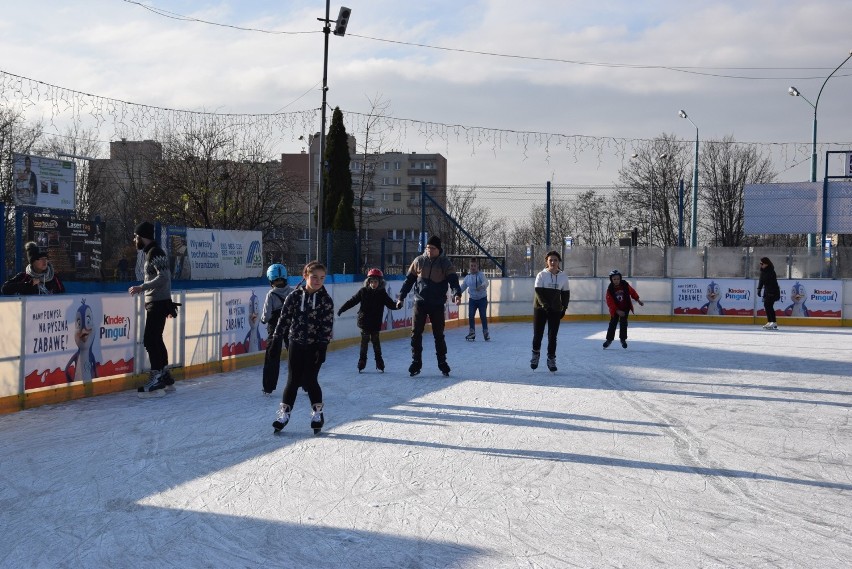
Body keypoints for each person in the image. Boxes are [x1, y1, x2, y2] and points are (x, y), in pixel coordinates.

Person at [271, 260, 334, 434]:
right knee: (292, 380)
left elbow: (327, 325)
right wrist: (276, 338)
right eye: (314, 277)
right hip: (295, 343)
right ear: (305, 276)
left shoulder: (326, 300)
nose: (318, 281)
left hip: (314, 346)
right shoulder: (294, 296)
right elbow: (284, 318)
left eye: (321, 278)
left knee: (310, 380)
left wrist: (322, 347)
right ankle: (284, 414)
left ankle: (317, 413)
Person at [396, 236, 462, 377]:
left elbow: (453, 280)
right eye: (427, 248)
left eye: (432, 248)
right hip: (420, 302)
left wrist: (457, 293)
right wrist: (401, 297)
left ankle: (442, 362)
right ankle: (416, 362)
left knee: (438, 335)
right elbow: (409, 281)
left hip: (437, 304)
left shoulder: (445, 263)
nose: (429, 251)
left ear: (439, 250)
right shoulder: (419, 261)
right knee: (416, 333)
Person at [128, 221, 175, 392]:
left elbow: (164, 277)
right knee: (155, 338)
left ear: (142, 237)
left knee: (150, 339)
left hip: (158, 302)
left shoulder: (155, 252)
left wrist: (142, 287)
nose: (134, 240)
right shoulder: (151, 252)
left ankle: (157, 376)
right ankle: (164, 374)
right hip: (157, 301)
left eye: (136, 237)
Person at [337, 268, 399, 373]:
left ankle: (379, 361)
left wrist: (398, 305)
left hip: (375, 322)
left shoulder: (382, 293)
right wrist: (342, 309)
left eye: (376, 282)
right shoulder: (363, 291)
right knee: (364, 342)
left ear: (380, 282)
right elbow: (352, 301)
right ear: (368, 281)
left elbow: (391, 305)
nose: (373, 284)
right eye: (371, 281)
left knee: (376, 342)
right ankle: (362, 361)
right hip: (364, 321)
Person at [530, 250, 570, 372]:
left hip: (555, 309)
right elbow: (538, 292)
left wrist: (564, 307)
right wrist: (545, 305)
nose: (553, 262)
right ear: (547, 262)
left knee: (553, 336)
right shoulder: (541, 275)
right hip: (540, 309)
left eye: (555, 260)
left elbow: (565, 294)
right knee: (538, 334)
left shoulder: (563, 276)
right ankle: (535, 355)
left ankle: (551, 359)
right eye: (550, 260)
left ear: (559, 262)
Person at [260, 263, 293, 395]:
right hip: (291, 327)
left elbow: (265, 317)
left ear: (270, 279)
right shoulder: (292, 292)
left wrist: (262, 319)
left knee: (272, 357)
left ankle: (268, 387)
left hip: (275, 328)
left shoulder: (271, 294)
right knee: (296, 356)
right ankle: (306, 384)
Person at [603, 269, 644, 349]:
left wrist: (638, 300)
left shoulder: (625, 285)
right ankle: (609, 340)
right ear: (611, 279)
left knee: (623, 324)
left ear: (620, 278)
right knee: (612, 324)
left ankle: (623, 339)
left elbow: (632, 292)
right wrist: (617, 311)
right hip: (615, 309)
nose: (616, 281)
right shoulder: (610, 290)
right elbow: (610, 302)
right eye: (614, 279)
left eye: (618, 279)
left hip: (625, 307)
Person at [460, 259, 489, 341]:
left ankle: (485, 332)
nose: (473, 267)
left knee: (483, 315)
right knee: (471, 315)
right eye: (471, 266)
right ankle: (472, 332)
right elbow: (463, 287)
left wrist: (482, 286)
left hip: (482, 299)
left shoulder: (481, 275)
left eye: (474, 266)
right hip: (472, 299)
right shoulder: (467, 277)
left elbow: (486, 282)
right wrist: (457, 293)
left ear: (477, 267)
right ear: (469, 267)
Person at [757, 256, 780, 330]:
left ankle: (773, 322)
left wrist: (771, 292)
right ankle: (770, 321)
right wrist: (759, 289)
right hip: (767, 291)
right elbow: (761, 281)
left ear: (766, 264)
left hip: (772, 291)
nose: (761, 265)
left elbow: (773, 283)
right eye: (760, 263)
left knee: (769, 305)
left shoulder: (771, 271)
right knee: (766, 306)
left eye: (762, 263)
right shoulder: (762, 271)